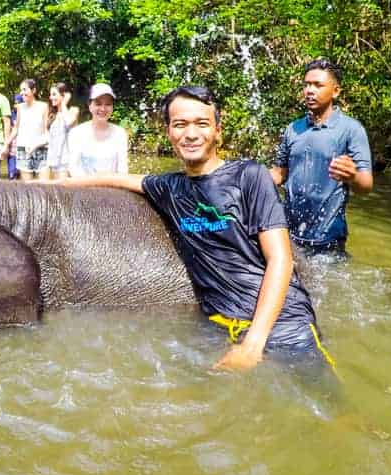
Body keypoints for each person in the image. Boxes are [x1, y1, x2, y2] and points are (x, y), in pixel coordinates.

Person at [61, 85, 331, 373]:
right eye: (180, 124)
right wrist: (46, 186)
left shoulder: (249, 176)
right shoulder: (170, 186)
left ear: (217, 130)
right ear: (168, 132)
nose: (190, 134)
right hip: (217, 325)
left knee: (333, 411)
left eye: (202, 124)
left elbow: (281, 259)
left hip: (282, 325)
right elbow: (114, 179)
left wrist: (253, 344)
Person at [270, 59, 373, 255]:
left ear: (335, 91)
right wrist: (250, 177)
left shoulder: (351, 130)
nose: (310, 90)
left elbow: (366, 185)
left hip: (328, 238)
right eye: (306, 85)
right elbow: (280, 172)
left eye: (318, 85)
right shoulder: (293, 129)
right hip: (288, 233)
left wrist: (352, 176)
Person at [66, 83, 129, 176]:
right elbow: (73, 167)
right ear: (89, 105)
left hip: (113, 187)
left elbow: (123, 168)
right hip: (83, 187)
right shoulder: (76, 133)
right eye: (98, 104)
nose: (103, 109)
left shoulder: (120, 133)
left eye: (108, 104)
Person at [9, 79, 50, 181]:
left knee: (45, 186)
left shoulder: (43, 106)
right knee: (28, 188)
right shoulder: (19, 107)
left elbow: (46, 130)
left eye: (25, 89)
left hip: (41, 148)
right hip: (23, 149)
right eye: (21, 90)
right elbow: (16, 128)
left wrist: (38, 144)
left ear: (34, 90)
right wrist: (6, 144)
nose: (22, 92)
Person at [45, 82, 80, 179]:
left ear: (63, 95)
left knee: (65, 192)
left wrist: (64, 103)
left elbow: (69, 121)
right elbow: (50, 139)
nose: (51, 97)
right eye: (50, 95)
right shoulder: (53, 115)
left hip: (66, 162)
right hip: (54, 162)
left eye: (54, 94)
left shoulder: (73, 110)